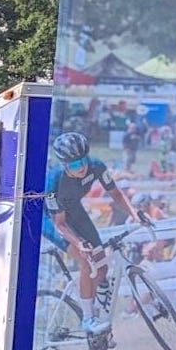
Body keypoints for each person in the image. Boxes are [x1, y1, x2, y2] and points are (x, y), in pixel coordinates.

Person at [44, 131, 150, 338]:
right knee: (86, 259)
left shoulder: (96, 166)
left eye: (83, 161)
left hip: (74, 210)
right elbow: (60, 224)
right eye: (74, 165)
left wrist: (135, 214)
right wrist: (79, 243)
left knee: (101, 264)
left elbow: (117, 195)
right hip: (49, 219)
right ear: (64, 164)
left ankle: (96, 298)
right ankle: (87, 319)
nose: (81, 167)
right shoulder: (54, 181)